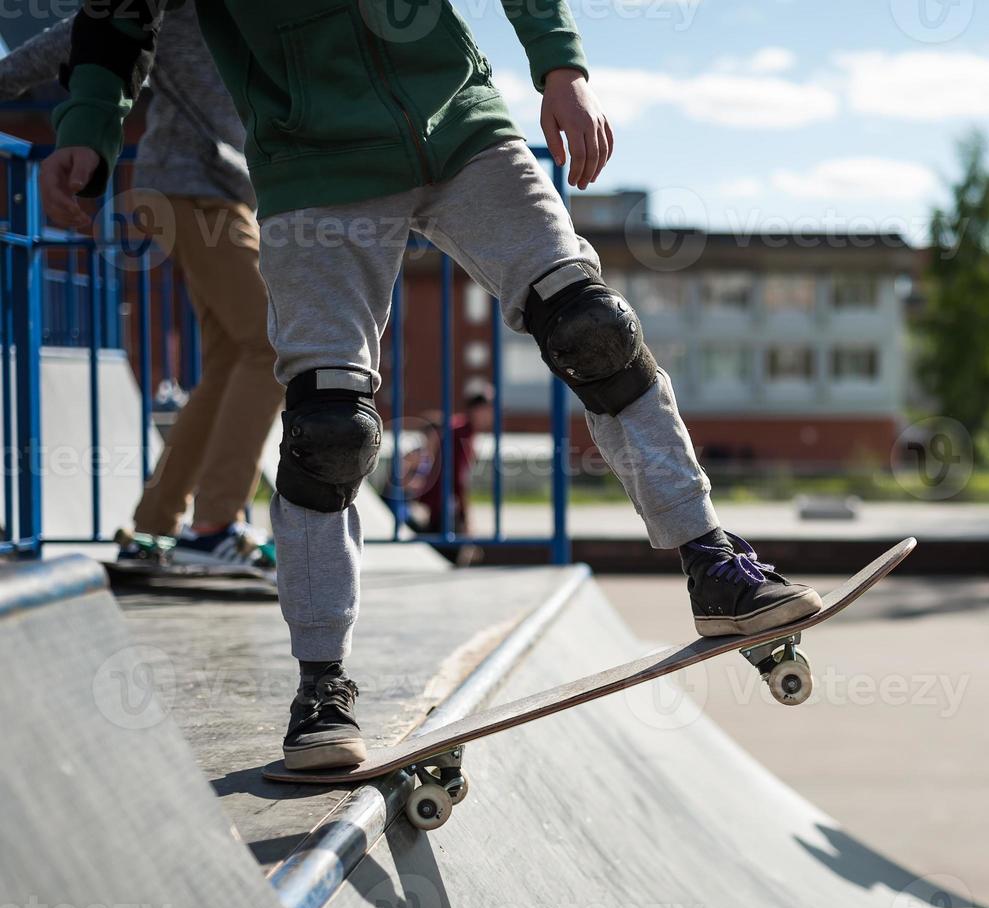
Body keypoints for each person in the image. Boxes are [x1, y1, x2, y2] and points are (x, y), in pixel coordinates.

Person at [41, 0, 821, 771]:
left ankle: (712, 562)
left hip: (460, 127)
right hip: (312, 169)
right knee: (329, 427)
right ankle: (321, 684)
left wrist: (560, 66)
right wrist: (86, 130)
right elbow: (115, 22)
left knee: (593, 330)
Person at [0, 4, 282, 570]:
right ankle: (213, 526)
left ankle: (156, 526)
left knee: (232, 356)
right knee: (271, 344)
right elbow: (87, 30)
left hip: (225, 190)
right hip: (190, 185)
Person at [409, 392, 494, 537]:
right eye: (490, 410)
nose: (492, 416)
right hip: (441, 501)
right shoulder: (461, 433)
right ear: (478, 410)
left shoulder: (459, 428)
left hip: (436, 500)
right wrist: (465, 517)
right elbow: (458, 478)